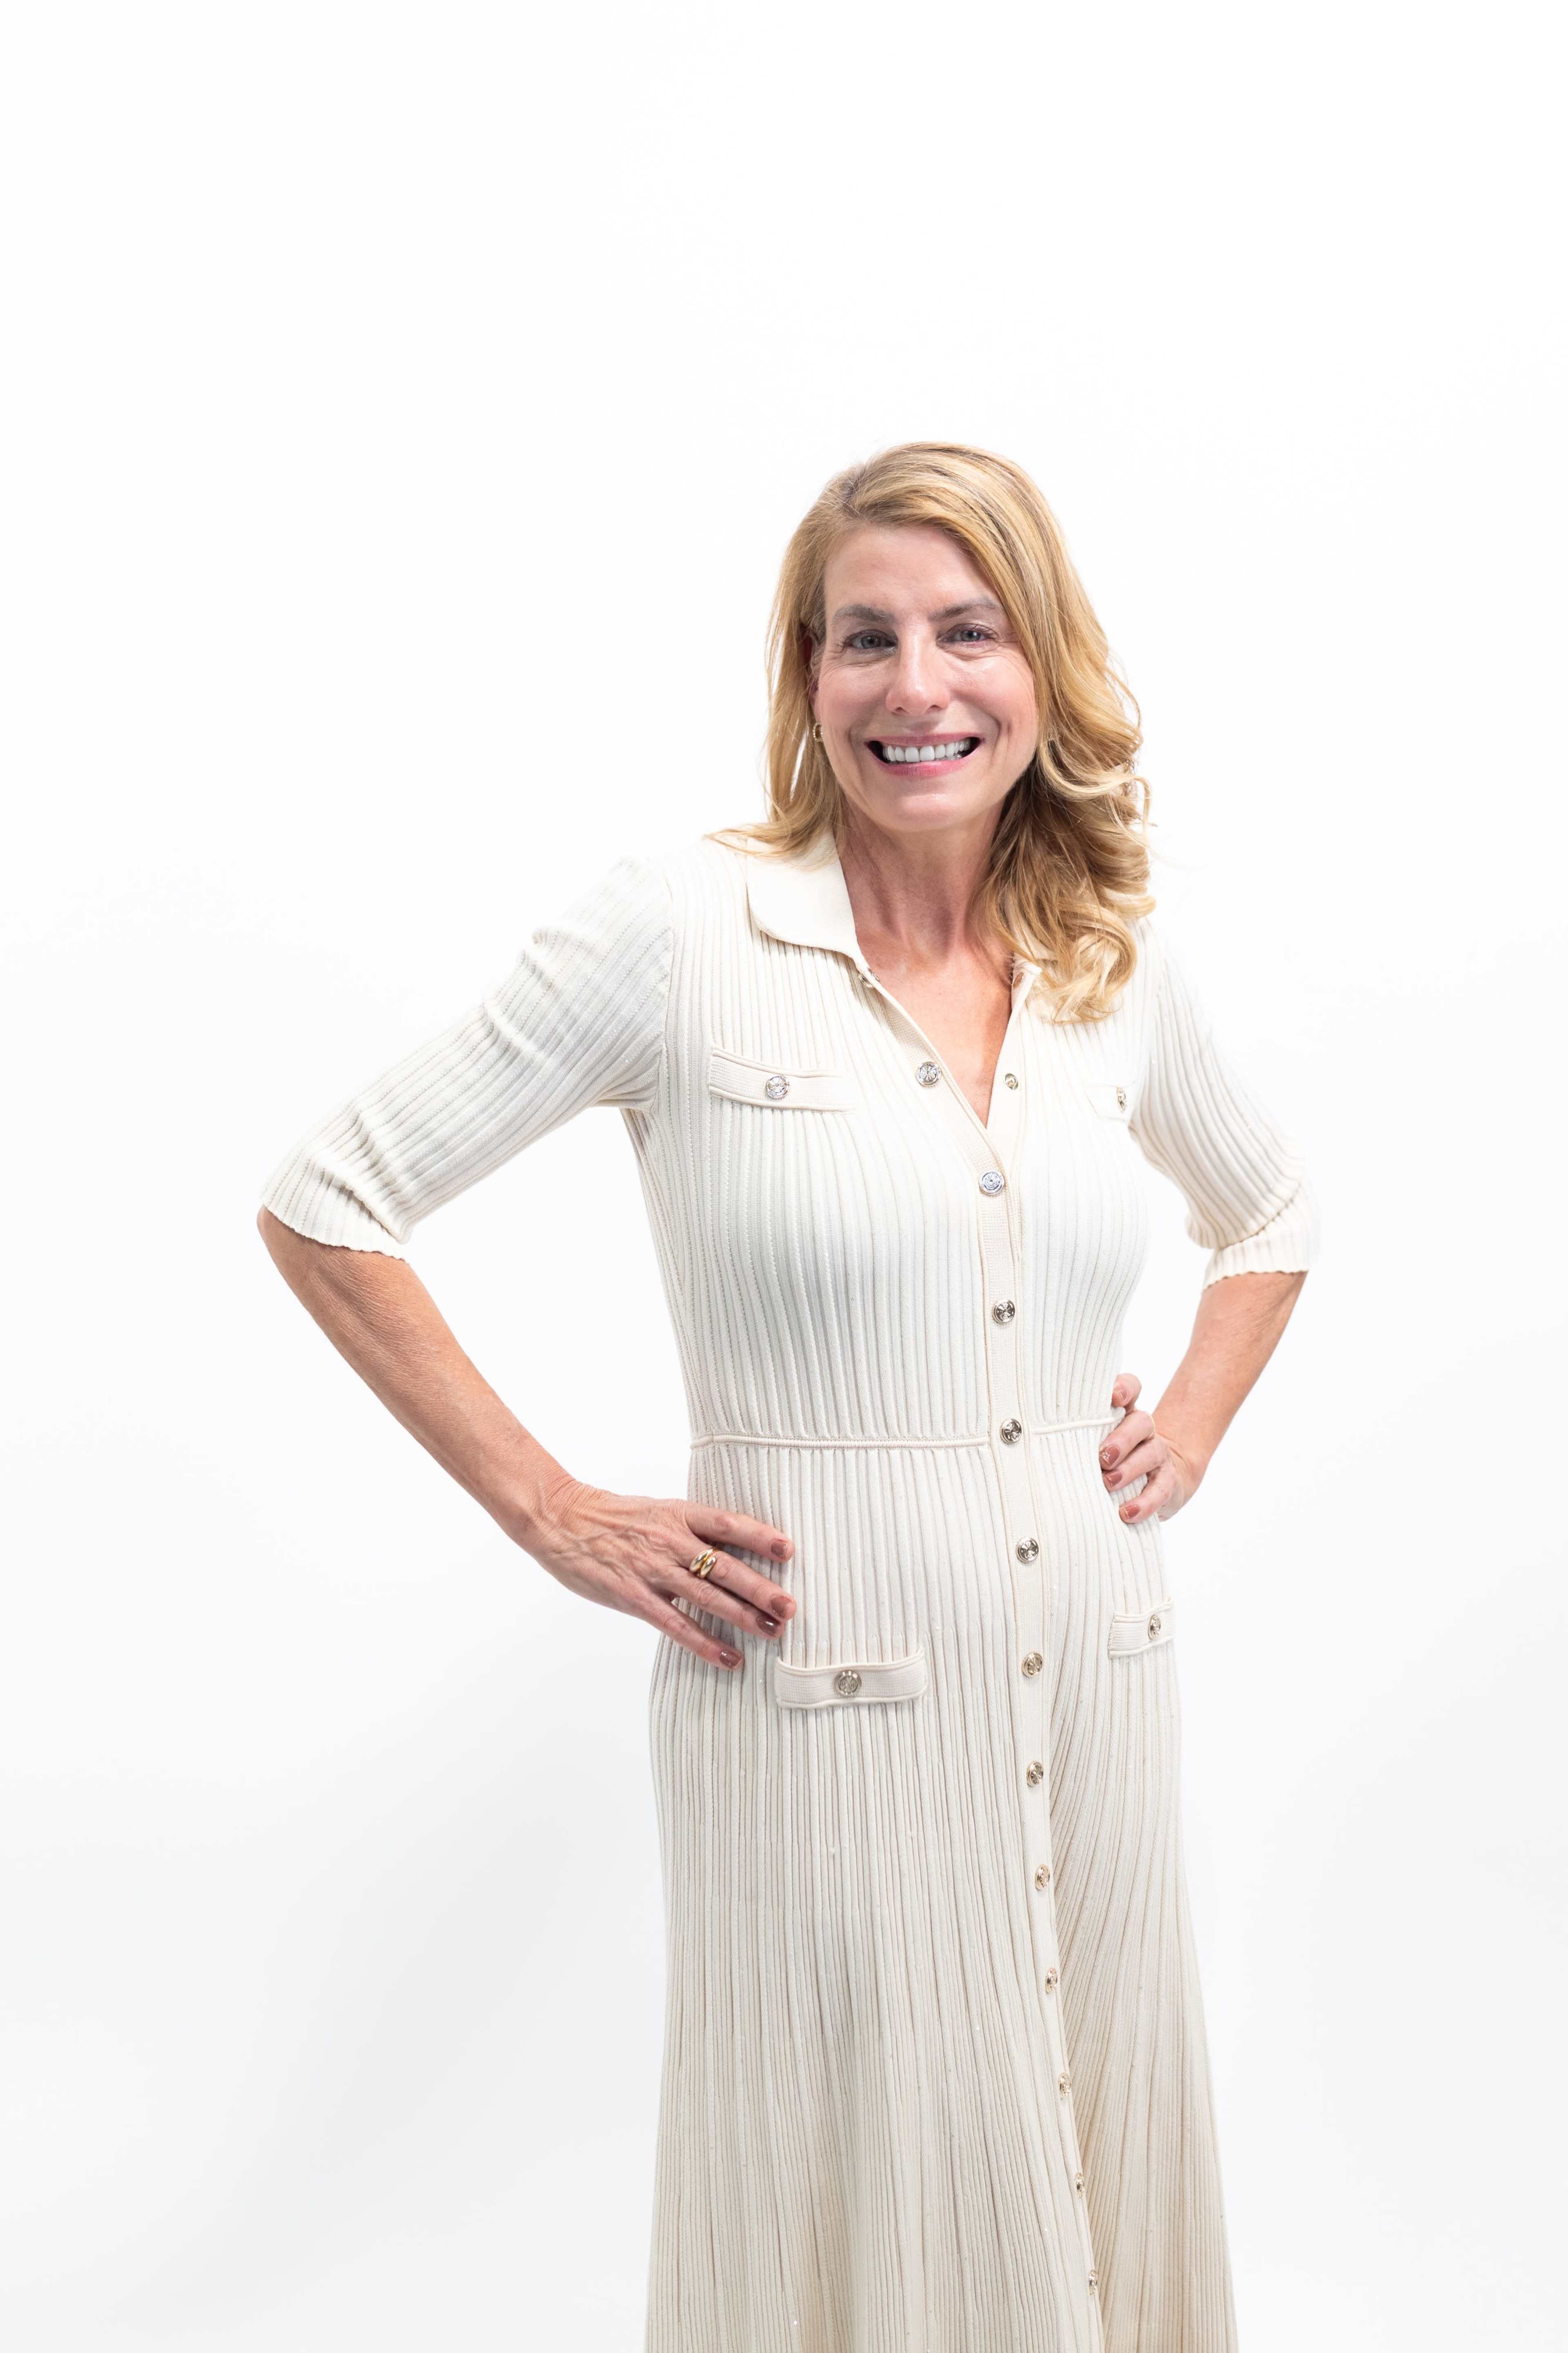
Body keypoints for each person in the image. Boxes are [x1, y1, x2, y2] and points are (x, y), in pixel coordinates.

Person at [258, 440, 1316, 2353]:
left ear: (1042, 667)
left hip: (1095, 1669)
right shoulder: (679, 931)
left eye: (969, 632)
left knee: (1100, 2127)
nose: (919, 687)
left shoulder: (1106, 961)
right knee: (831, 2169)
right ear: (807, 678)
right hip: (813, 1697)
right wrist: (547, 1504)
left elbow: (1278, 1208)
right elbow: (329, 1195)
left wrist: (1198, 1418)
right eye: (865, 639)